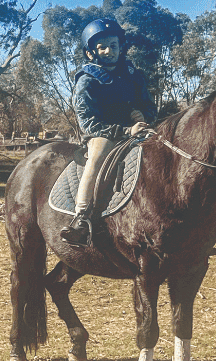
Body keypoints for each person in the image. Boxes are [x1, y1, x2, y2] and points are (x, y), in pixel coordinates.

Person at [60, 18, 156, 246]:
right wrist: (125, 130)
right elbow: (88, 123)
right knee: (97, 156)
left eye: (113, 45)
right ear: (91, 52)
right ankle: (81, 218)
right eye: (102, 46)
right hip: (103, 135)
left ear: (121, 46)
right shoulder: (87, 80)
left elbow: (149, 106)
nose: (109, 51)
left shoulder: (133, 74)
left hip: (138, 130)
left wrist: (144, 116)